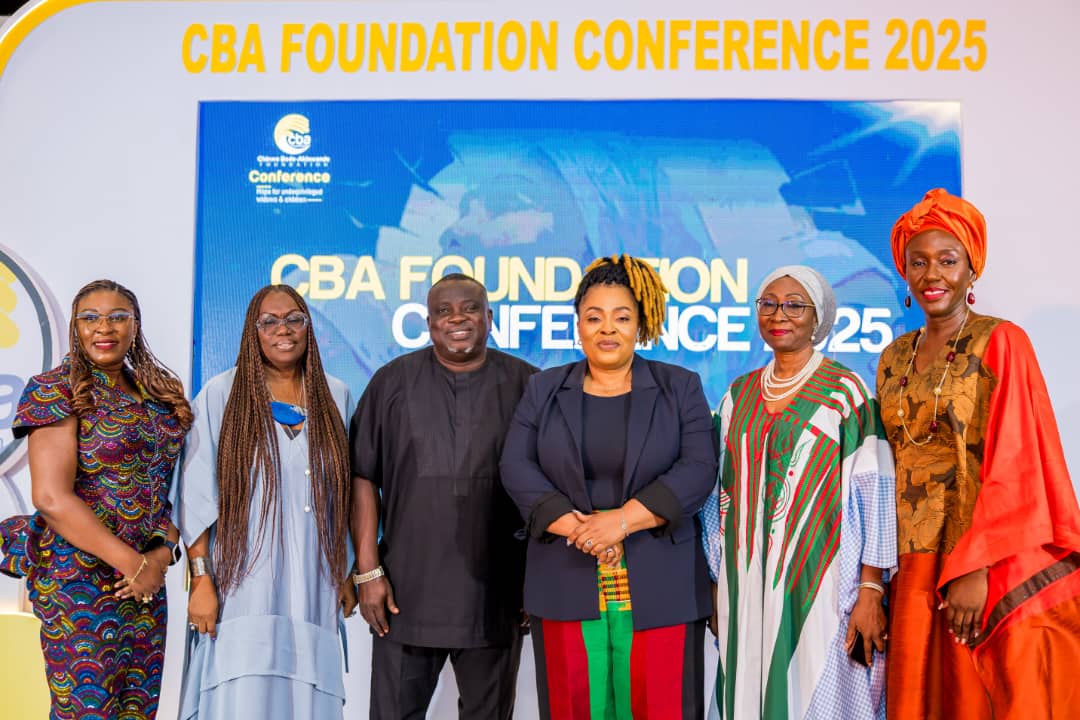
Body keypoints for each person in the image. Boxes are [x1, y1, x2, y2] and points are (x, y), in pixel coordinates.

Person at [878, 188, 1080, 718]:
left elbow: (1017, 459)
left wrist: (978, 568)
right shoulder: (893, 357)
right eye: (918, 262)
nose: (932, 275)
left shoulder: (1002, 341)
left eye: (948, 260)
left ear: (972, 269)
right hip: (911, 565)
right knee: (916, 698)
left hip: (979, 557)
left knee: (973, 697)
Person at [500, 254, 717, 718]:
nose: (607, 329)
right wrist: (582, 531)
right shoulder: (543, 389)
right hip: (565, 577)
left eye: (622, 317)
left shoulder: (680, 387)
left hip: (662, 584)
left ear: (640, 324)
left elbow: (699, 468)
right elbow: (516, 465)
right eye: (594, 317)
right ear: (578, 324)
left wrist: (620, 523)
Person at [700, 265, 896, 719]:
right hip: (744, 582)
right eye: (768, 304)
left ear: (817, 317)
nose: (779, 314)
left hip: (822, 581)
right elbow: (714, 499)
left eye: (794, 305)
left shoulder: (845, 393)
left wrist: (871, 588)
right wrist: (715, 584)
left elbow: (875, 495)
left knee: (814, 686)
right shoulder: (737, 396)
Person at [0, 279, 192, 720]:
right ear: (75, 327)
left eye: (117, 317)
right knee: (87, 712)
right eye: (90, 318)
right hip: (78, 580)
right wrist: (134, 564)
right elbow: (51, 497)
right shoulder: (54, 388)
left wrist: (159, 556)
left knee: (137, 711)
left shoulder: (158, 394)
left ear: (135, 325)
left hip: (144, 584)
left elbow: (173, 488)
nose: (104, 328)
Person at [349, 273, 538, 719]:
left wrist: (537, 579)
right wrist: (367, 572)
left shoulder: (529, 385)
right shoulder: (391, 382)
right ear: (428, 322)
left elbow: (548, 488)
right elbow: (362, 477)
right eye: (443, 311)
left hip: (497, 596)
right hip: (404, 594)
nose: (457, 319)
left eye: (470, 308)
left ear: (490, 317)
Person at [174, 284, 355, 719]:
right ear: (251, 331)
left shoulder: (336, 396)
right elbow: (195, 496)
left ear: (308, 327)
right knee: (244, 695)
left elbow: (349, 496)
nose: (283, 330)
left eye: (294, 319)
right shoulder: (222, 395)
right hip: (243, 586)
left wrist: (346, 571)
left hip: (314, 584)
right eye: (269, 321)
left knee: (307, 696)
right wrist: (201, 580)